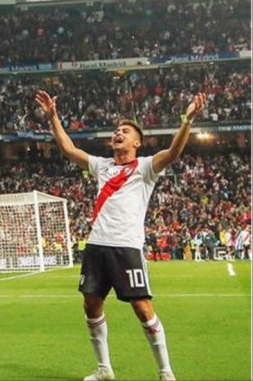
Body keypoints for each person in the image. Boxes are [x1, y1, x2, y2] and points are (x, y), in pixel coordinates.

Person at [36, 90, 204, 381]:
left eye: (125, 131)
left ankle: (165, 372)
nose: (118, 134)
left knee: (141, 307)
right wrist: (52, 117)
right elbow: (68, 149)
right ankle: (104, 368)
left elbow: (173, 153)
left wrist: (187, 121)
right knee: (91, 304)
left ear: (137, 142)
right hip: (97, 245)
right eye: (116, 131)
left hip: (126, 247)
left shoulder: (145, 168)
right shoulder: (102, 166)